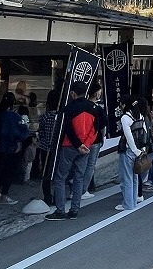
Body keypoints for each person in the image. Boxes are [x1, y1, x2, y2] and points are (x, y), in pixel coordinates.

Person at [46, 81, 100, 220]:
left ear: (73, 93)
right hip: (86, 148)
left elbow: (68, 129)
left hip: (69, 146)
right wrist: (85, 144)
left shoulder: (68, 108)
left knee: (60, 178)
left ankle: (60, 210)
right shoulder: (94, 107)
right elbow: (96, 130)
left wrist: (77, 144)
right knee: (79, 177)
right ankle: (74, 210)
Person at [0, 91, 28, 205]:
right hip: (12, 147)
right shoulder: (13, 116)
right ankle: (4, 195)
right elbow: (23, 132)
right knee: (9, 171)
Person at [115, 96, 146, 211]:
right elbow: (144, 132)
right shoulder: (140, 116)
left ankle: (128, 203)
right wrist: (141, 149)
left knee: (127, 178)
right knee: (135, 177)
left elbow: (128, 136)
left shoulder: (125, 118)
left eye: (121, 104)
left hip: (129, 150)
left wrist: (134, 150)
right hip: (139, 150)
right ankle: (132, 202)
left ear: (124, 105)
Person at [78, 82, 107, 199]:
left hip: (81, 140)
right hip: (95, 140)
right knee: (90, 165)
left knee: (80, 165)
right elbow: (103, 126)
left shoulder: (81, 106)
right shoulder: (98, 109)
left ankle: (76, 188)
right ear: (96, 93)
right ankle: (83, 190)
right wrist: (103, 137)